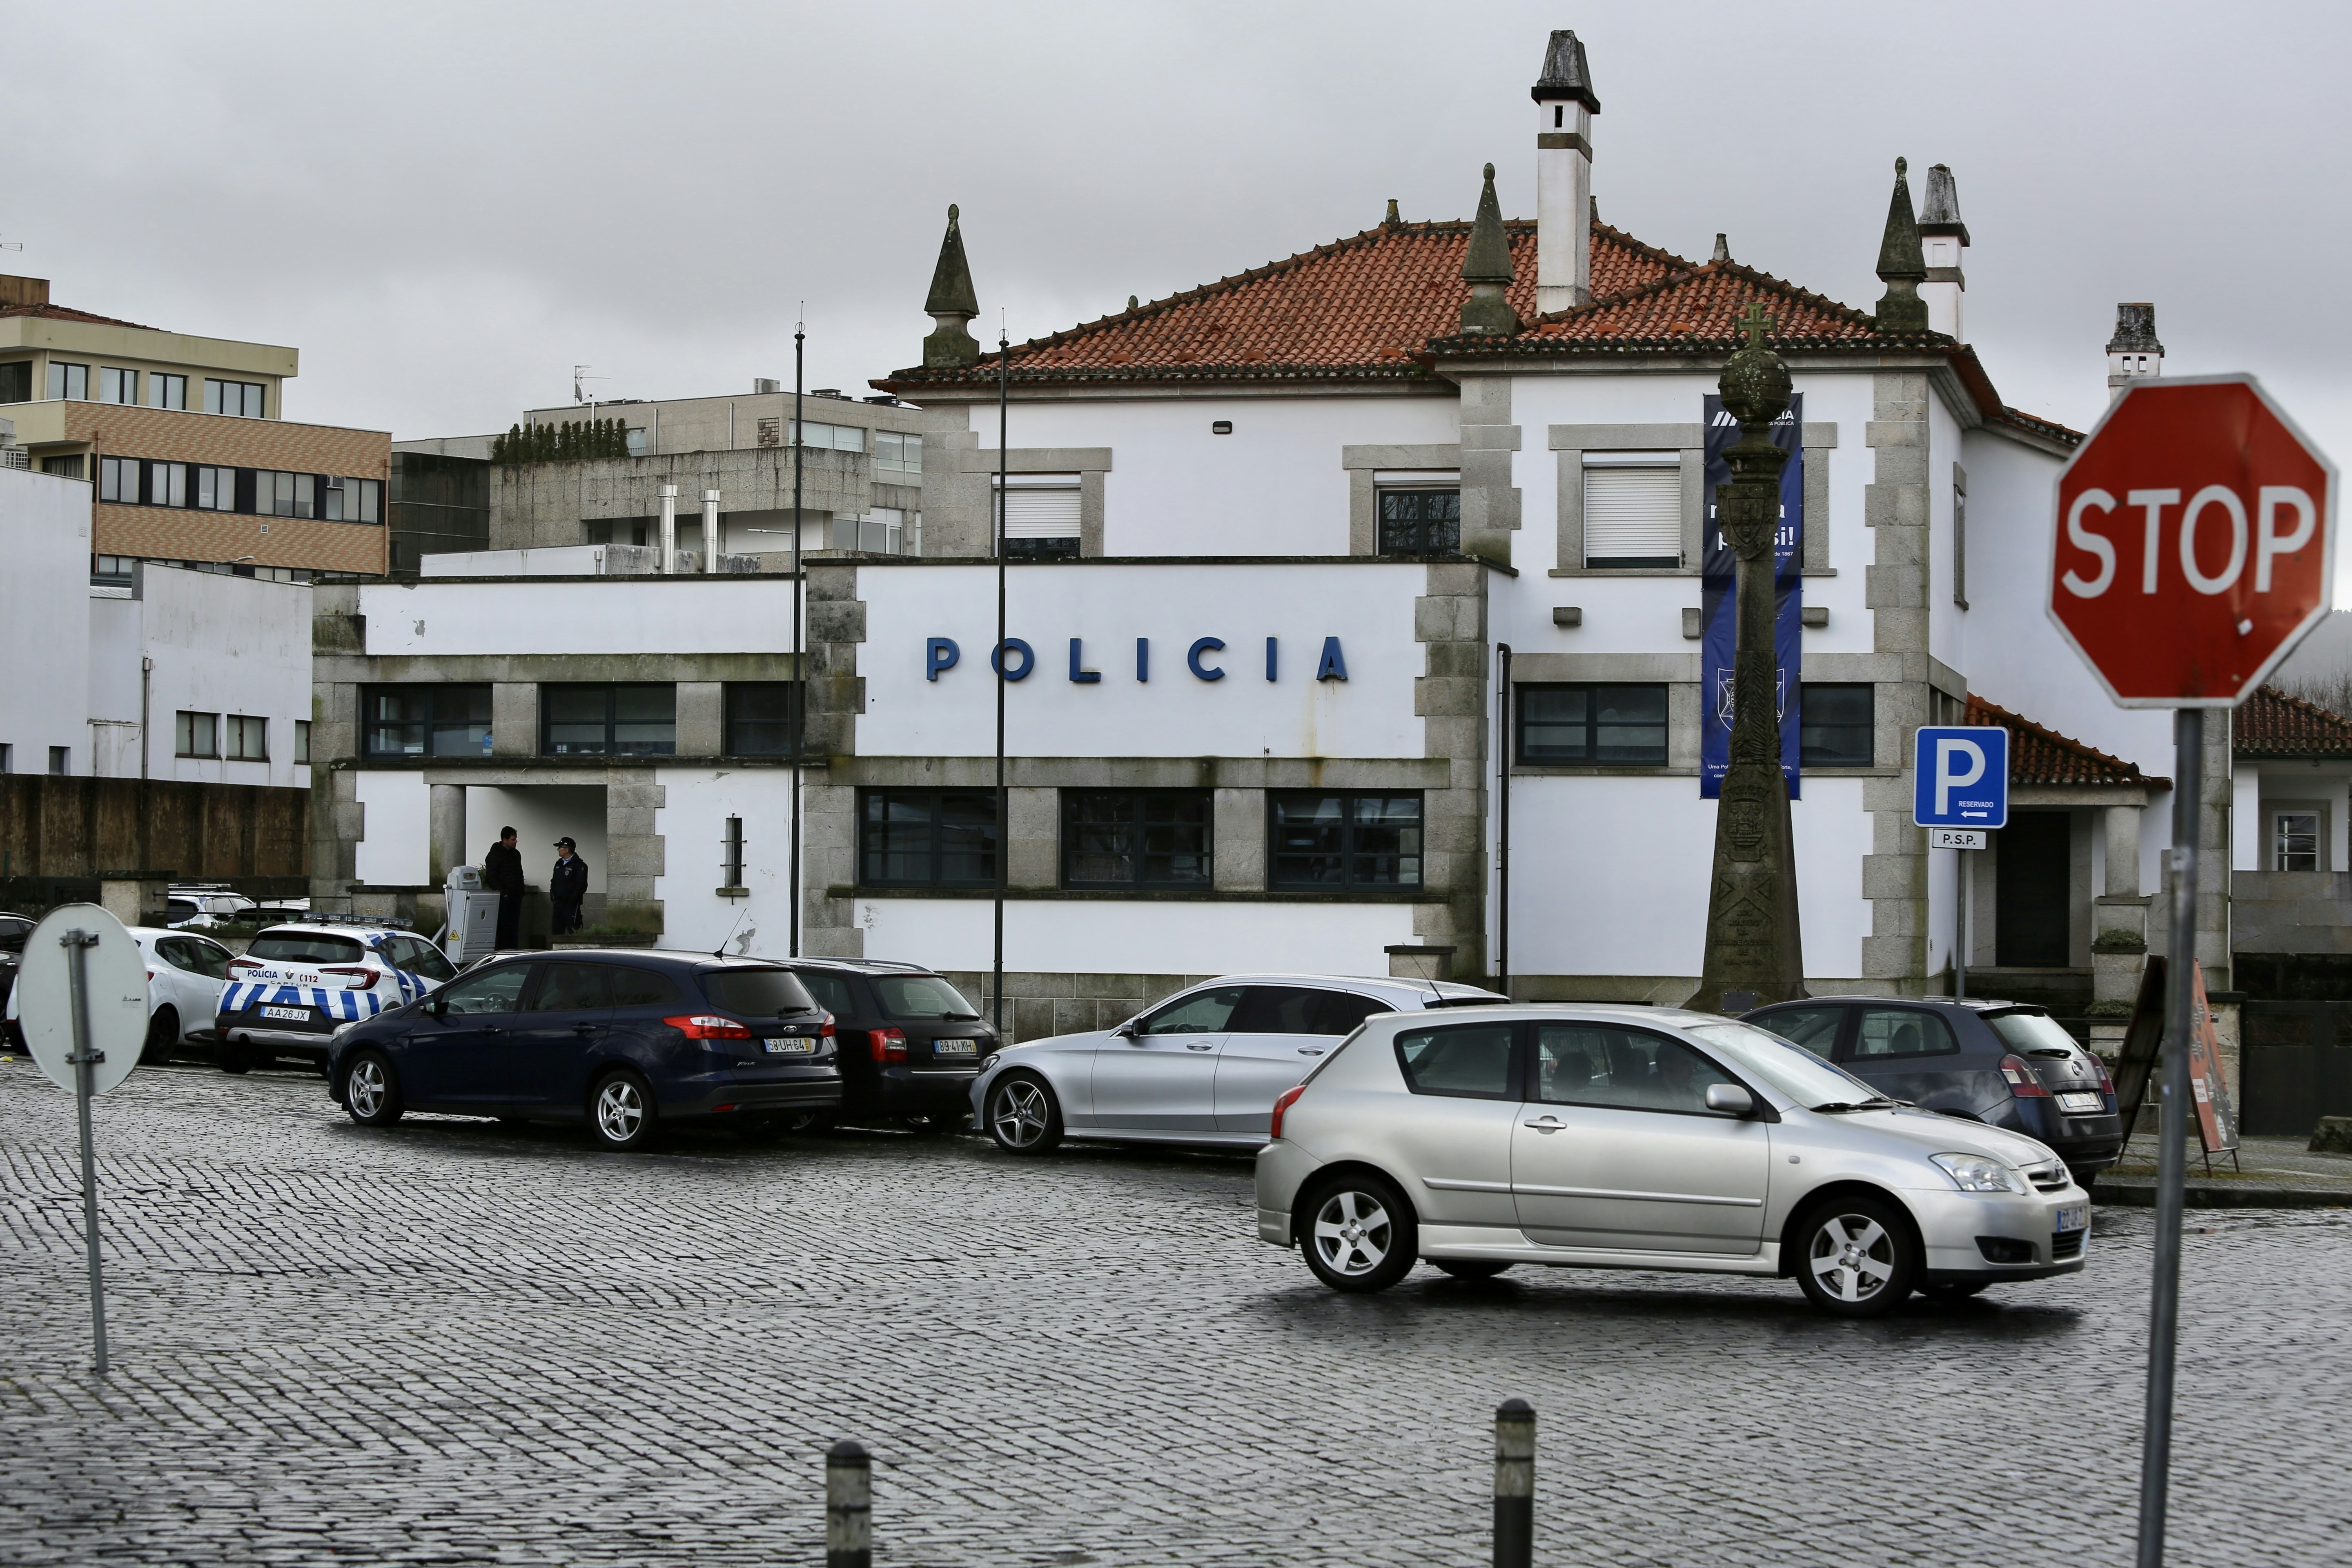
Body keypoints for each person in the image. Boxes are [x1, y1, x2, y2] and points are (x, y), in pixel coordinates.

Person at [483, 826, 526, 950]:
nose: (516, 841)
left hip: (516, 895)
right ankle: (503, 953)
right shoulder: (495, 855)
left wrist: (520, 891)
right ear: (505, 840)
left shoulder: (516, 854)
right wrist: (503, 893)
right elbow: (491, 877)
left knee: (514, 929)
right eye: (513, 839)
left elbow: (519, 872)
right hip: (505, 898)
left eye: (516, 839)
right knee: (504, 928)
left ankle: (513, 952)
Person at [550, 836, 589, 936]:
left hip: (571, 906)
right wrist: (553, 897)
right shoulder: (558, 864)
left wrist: (571, 901)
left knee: (575, 931)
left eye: (560, 847)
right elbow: (554, 882)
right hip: (558, 904)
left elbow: (581, 886)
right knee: (557, 932)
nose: (558, 850)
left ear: (567, 850)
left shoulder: (579, 865)